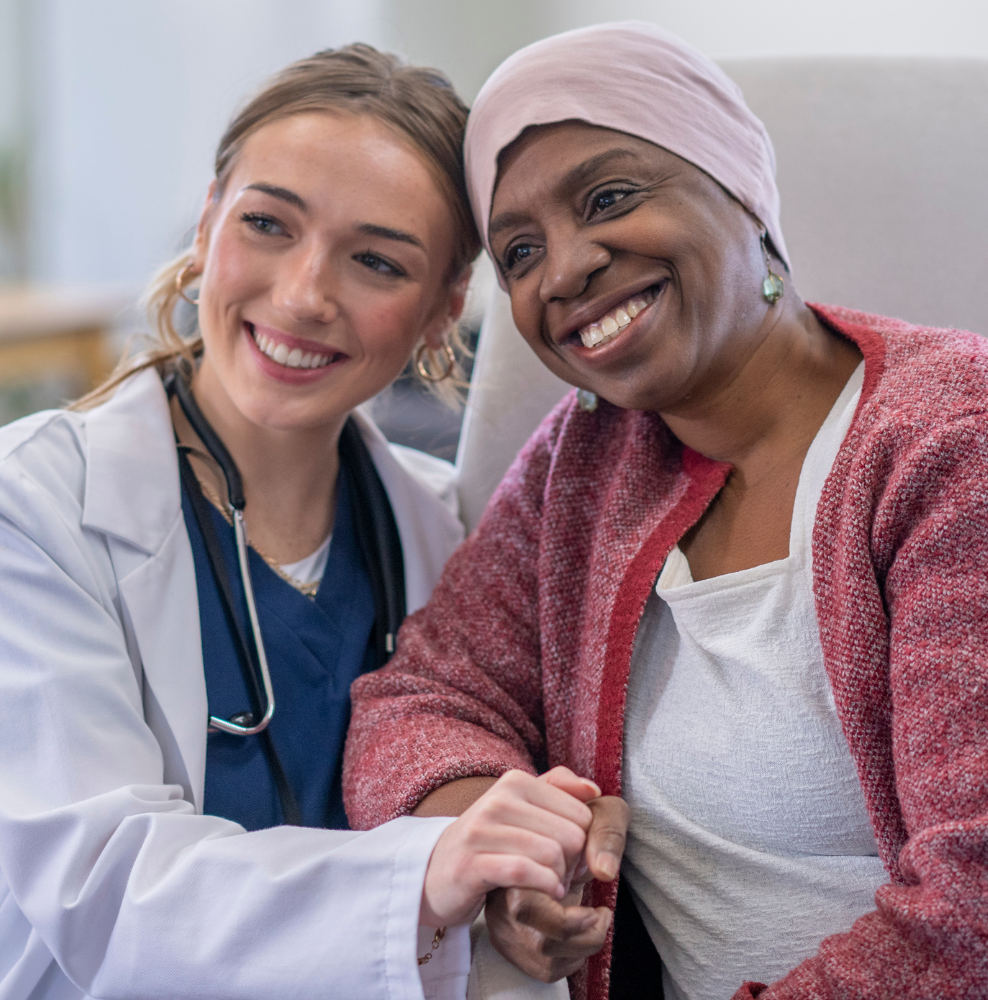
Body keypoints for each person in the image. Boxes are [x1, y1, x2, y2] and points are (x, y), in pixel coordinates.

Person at [344, 22, 988, 1000]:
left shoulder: (955, 440)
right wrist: (504, 846)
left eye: (608, 197)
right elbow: (423, 694)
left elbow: (978, 908)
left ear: (739, 188)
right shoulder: (586, 460)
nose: (562, 271)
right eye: (518, 251)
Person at [0, 43, 607, 1000]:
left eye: (377, 260)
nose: (302, 294)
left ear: (444, 310)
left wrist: (515, 896)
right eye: (268, 224)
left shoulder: (445, 534)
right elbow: (103, 892)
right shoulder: (32, 512)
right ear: (207, 225)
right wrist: (425, 877)